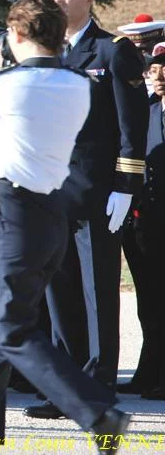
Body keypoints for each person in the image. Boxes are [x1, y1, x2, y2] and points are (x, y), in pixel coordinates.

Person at [0, 0, 130, 455]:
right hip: (50, 211)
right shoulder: (82, 84)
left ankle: (97, 410)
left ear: (17, 34)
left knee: (9, 328)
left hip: (11, 211)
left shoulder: (5, 84)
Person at [27, 0, 148, 419]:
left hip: (97, 193)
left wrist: (126, 186)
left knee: (97, 292)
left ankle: (97, 386)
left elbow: (129, 127)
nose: (56, 1)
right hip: (52, 193)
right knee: (58, 293)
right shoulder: (48, 49)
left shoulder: (112, 50)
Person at [118, 41, 165, 399]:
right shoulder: (147, 110)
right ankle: (150, 370)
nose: (159, 74)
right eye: (154, 66)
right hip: (145, 223)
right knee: (149, 301)